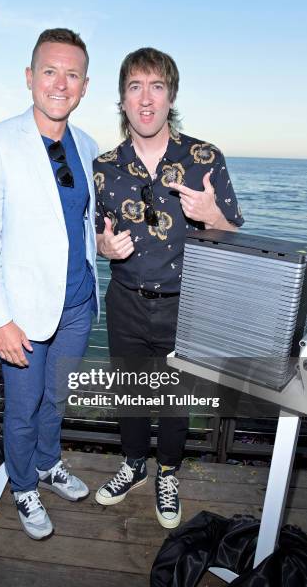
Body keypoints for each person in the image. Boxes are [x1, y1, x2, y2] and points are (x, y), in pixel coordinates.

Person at [93, 47, 243, 529]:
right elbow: (97, 235)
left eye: (156, 86)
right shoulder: (104, 165)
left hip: (188, 303)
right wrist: (103, 245)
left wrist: (212, 217)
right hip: (126, 301)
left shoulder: (204, 157)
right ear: (122, 99)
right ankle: (134, 464)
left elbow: (234, 232)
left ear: (170, 96)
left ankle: (168, 472)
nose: (145, 98)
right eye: (135, 87)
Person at [0, 28, 99, 540]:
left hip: (79, 304)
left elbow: (85, 224)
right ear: (29, 78)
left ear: (85, 86)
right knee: (23, 408)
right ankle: (22, 484)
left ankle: (47, 464)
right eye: (50, 71)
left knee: (56, 398)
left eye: (72, 74)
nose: (60, 83)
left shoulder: (87, 145)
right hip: (22, 310)